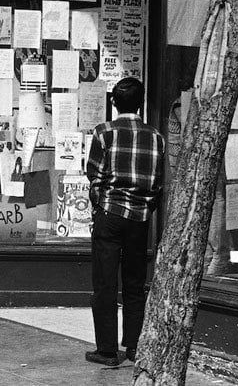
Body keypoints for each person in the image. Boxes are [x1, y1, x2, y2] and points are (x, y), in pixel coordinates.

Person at [84, 77, 165, 365]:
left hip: (110, 214)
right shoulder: (156, 137)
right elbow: (157, 184)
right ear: (141, 103)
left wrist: (100, 202)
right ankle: (133, 345)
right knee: (134, 282)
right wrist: (145, 207)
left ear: (114, 103)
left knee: (105, 282)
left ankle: (107, 350)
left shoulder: (104, 132)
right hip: (140, 218)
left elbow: (93, 174)